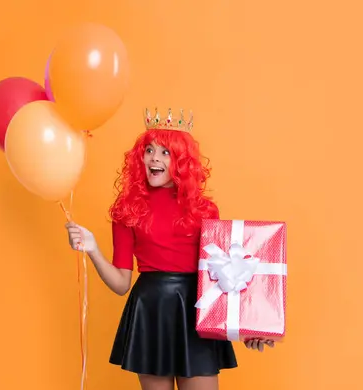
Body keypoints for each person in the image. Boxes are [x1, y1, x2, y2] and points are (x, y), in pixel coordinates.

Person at [65, 108, 274, 390]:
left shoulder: (205, 210)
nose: (154, 158)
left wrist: (250, 326)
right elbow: (121, 284)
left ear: (181, 162)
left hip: (197, 310)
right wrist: (92, 248)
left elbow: (227, 275)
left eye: (165, 153)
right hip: (151, 310)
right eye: (149, 150)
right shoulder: (127, 210)